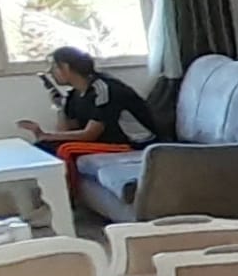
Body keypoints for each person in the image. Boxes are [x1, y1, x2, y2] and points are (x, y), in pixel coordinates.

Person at [16, 46, 160, 188]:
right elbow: (65, 132)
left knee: (65, 149)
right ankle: (51, 196)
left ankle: (69, 198)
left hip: (134, 144)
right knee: (44, 147)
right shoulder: (74, 95)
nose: (50, 72)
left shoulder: (104, 89)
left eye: (54, 67)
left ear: (65, 67)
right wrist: (60, 108)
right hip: (107, 142)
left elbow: (90, 134)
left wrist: (46, 135)